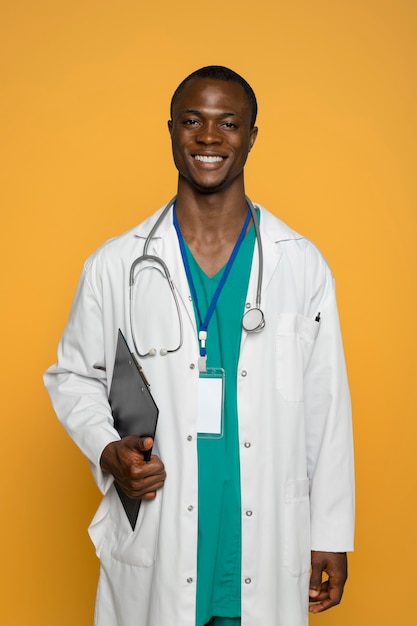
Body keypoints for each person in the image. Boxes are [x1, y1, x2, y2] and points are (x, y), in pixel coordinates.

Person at [44, 65, 354, 626]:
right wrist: (106, 450)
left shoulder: (299, 263)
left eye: (228, 122)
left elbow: (326, 403)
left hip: (264, 548)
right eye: (192, 121)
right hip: (159, 545)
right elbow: (74, 377)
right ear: (169, 130)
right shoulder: (115, 264)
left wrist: (331, 530)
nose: (209, 138)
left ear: (252, 136)